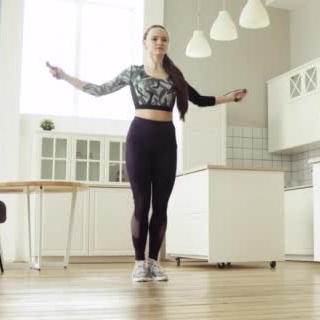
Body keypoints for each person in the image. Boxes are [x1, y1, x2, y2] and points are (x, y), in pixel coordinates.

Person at [48, 25, 247, 282]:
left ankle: (154, 262)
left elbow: (199, 99)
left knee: (161, 206)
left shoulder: (175, 76)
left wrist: (230, 98)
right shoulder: (133, 73)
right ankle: (139, 263)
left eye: (164, 38)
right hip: (139, 138)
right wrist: (64, 76)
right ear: (145, 42)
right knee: (142, 205)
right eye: (155, 38)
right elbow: (99, 90)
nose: (160, 42)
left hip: (166, 140)